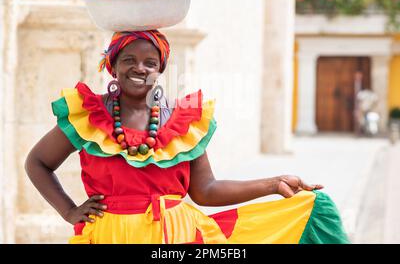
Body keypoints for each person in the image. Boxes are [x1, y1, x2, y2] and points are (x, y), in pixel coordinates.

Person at [25, 30, 349, 244]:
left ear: (160, 69)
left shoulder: (182, 122)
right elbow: (37, 162)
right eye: (129, 60)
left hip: (178, 238)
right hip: (110, 234)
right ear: (112, 67)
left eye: (150, 62)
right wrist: (68, 211)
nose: (140, 68)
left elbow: (205, 191)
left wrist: (273, 183)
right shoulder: (90, 117)